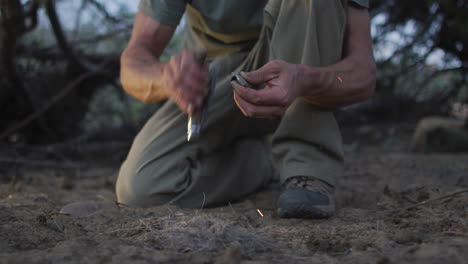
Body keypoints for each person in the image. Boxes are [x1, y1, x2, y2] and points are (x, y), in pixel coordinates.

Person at [116, 0, 376, 219]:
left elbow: (363, 74)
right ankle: (259, 161)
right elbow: (134, 61)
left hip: (300, 73)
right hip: (214, 81)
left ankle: (306, 168)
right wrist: (166, 78)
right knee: (142, 187)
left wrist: (307, 80)